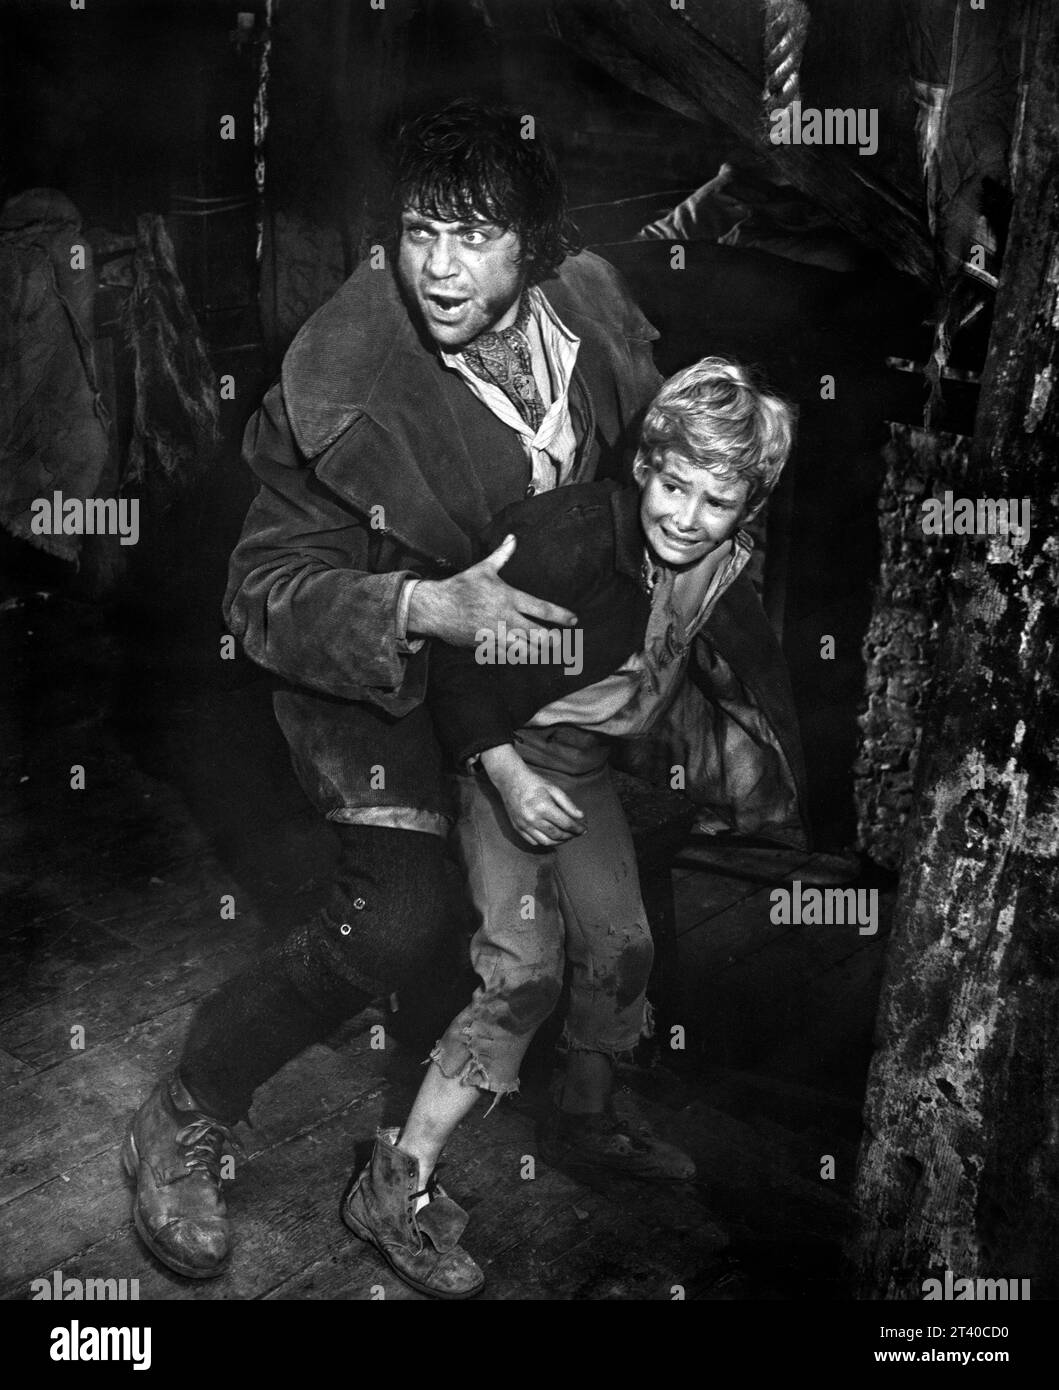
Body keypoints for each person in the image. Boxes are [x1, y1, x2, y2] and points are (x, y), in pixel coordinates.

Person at [121, 97, 666, 1290]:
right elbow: (260, 593)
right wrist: (422, 608)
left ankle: (584, 1094)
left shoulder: (589, 314)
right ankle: (190, 1102)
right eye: (421, 231)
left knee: (607, 887)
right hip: (384, 694)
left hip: (538, 676)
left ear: (534, 244)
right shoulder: (342, 379)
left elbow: (655, 455)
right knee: (401, 919)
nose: (440, 266)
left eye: (473, 236)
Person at [343, 357, 800, 1299]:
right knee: (524, 972)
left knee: (624, 947)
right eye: (671, 485)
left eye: (714, 502)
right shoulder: (565, 539)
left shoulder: (722, 559)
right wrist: (504, 777)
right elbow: (458, 671)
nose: (685, 516)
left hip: (581, 773)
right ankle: (395, 1183)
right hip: (497, 757)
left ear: (745, 507)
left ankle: (583, 1122)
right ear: (644, 465)